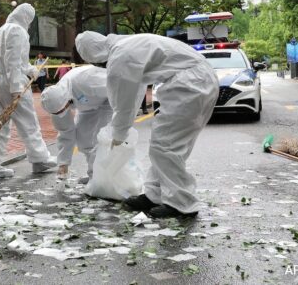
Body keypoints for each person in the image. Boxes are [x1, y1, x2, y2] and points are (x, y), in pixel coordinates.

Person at [75, 32, 218, 218]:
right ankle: (155, 195)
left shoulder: (121, 55)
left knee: (165, 147)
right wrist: (122, 128)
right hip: (198, 80)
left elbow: (123, 101)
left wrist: (118, 134)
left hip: (190, 84)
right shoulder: (129, 43)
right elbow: (135, 92)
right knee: (165, 146)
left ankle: (182, 204)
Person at [0, 3, 57, 179]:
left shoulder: (1, 30)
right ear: (25, 17)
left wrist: (31, 70)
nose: (29, 25)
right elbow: (13, 61)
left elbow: (17, 63)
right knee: (28, 122)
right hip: (10, 83)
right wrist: (16, 87)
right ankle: (40, 160)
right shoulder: (18, 31)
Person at [40, 65, 112, 184]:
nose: (60, 114)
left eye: (61, 111)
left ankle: (106, 178)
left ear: (66, 101)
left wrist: (122, 118)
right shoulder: (55, 101)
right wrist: (63, 163)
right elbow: (65, 131)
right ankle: (94, 175)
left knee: (102, 139)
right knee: (84, 140)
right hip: (88, 106)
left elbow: (118, 88)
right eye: (56, 113)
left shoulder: (89, 80)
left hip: (110, 100)